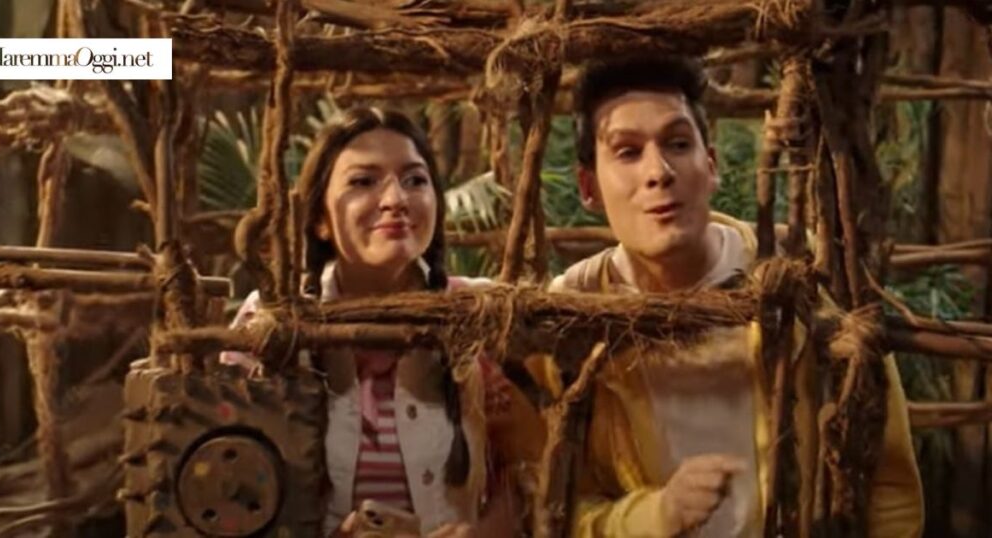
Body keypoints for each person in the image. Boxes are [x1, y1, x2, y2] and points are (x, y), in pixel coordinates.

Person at [532, 56, 923, 537]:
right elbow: (555, 505)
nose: (659, 172)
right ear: (588, 187)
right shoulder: (571, 315)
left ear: (711, 166)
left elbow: (887, 481)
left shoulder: (803, 280)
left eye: (678, 144)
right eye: (628, 152)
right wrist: (655, 517)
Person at [221, 107, 542, 537]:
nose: (396, 200)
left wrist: (482, 532)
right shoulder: (271, 321)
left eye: (415, 180)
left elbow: (528, 467)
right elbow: (229, 479)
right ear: (319, 219)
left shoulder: (478, 313)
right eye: (363, 181)